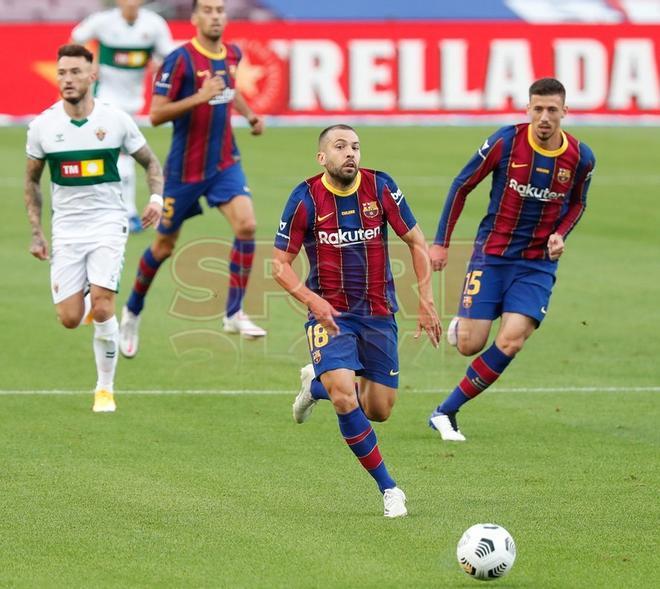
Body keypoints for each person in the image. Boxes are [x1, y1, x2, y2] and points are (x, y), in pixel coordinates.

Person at [272, 124, 441, 518]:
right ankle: (390, 489)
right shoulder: (305, 198)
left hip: (379, 313)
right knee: (346, 394)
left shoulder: (381, 188)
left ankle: (314, 386)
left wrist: (427, 297)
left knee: (379, 409)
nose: (350, 153)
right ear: (322, 157)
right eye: (340, 146)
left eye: (355, 147)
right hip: (329, 316)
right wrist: (311, 299)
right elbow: (280, 265)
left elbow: (416, 241)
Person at [427, 78, 596, 441]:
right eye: (538, 109)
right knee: (471, 344)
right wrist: (441, 243)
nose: (545, 117)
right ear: (527, 109)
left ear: (565, 112)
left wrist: (560, 234)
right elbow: (462, 185)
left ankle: (446, 411)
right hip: (492, 255)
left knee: (512, 340)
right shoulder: (506, 142)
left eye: (552, 110)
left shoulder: (580, 158)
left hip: (537, 264)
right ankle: (465, 323)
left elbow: (578, 202)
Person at [118, 0, 267, 358]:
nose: (215, 16)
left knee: (247, 225)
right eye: (209, 10)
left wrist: (249, 115)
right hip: (184, 172)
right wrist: (199, 97)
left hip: (224, 164)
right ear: (196, 17)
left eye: (220, 10)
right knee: (163, 247)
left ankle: (233, 312)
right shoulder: (179, 59)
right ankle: (132, 311)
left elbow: (231, 90)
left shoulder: (232, 53)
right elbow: (155, 114)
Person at [24, 44, 164, 412]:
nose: (67, 79)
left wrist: (154, 200)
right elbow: (31, 182)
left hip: (108, 223)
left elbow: (150, 163)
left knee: (102, 308)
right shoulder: (43, 126)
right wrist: (37, 232)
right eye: (62, 73)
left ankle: (105, 388)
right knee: (70, 318)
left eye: (75, 72)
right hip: (67, 230)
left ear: (92, 75)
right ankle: (91, 289)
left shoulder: (115, 120)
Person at [71, 0, 174, 233]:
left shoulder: (154, 25)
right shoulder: (103, 22)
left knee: (116, 154)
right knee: (122, 153)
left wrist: (160, 68)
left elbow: (170, 58)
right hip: (106, 98)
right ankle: (127, 213)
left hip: (134, 102)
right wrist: (87, 64)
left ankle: (112, 211)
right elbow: (76, 38)